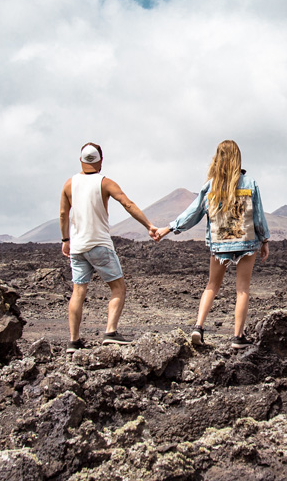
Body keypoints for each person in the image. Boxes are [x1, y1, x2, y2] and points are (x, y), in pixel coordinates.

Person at [151, 140, 269, 348]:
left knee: (212, 286)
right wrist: (264, 240)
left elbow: (192, 214)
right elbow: (258, 217)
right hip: (247, 243)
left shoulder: (210, 186)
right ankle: (237, 337)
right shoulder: (250, 183)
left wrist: (168, 229)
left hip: (220, 245)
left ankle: (198, 326)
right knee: (242, 290)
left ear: (218, 159)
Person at [60, 142, 157, 350]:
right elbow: (127, 203)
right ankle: (110, 331)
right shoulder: (105, 183)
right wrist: (148, 225)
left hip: (77, 248)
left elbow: (63, 213)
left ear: (80, 160)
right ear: (101, 161)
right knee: (118, 288)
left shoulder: (69, 184)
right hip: (99, 245)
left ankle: (73, 341)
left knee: (78, 291)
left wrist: (65, 240)